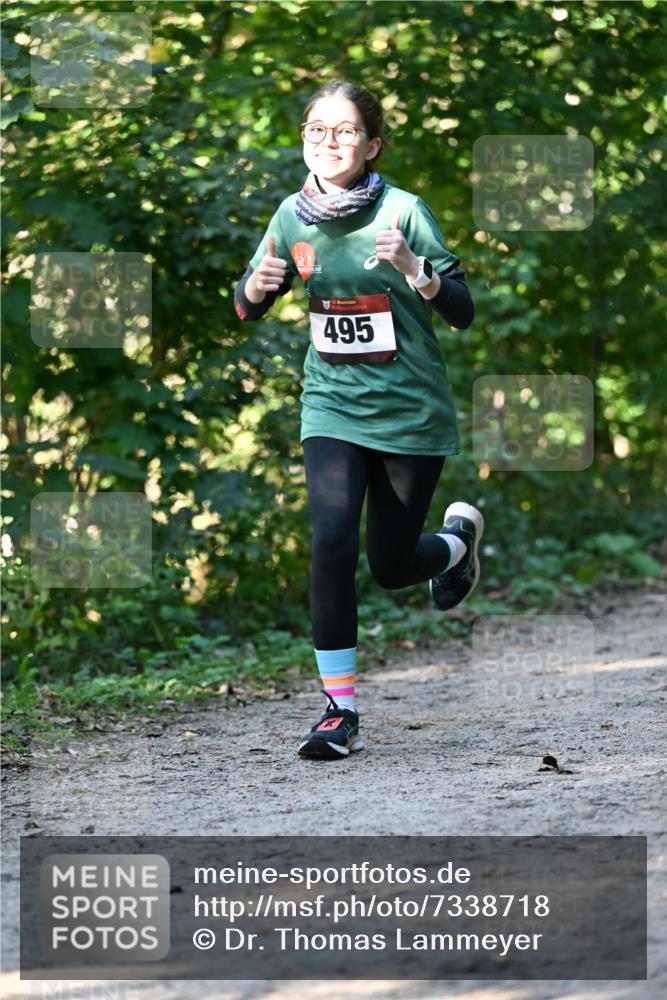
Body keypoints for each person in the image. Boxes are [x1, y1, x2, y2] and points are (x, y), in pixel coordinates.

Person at [234, 80, 483, 761]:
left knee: (391, 565)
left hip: (409, 411)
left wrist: (416, 269)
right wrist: (252, 291)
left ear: (371, 145)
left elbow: (459, 310)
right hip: (331, 406)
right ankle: (338, 711)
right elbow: (248, 299)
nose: (328, 141)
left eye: (344, 131)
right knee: (332, 541)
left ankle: (457, 544)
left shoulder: (403, 212)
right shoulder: (291, 215)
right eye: (317, 129)